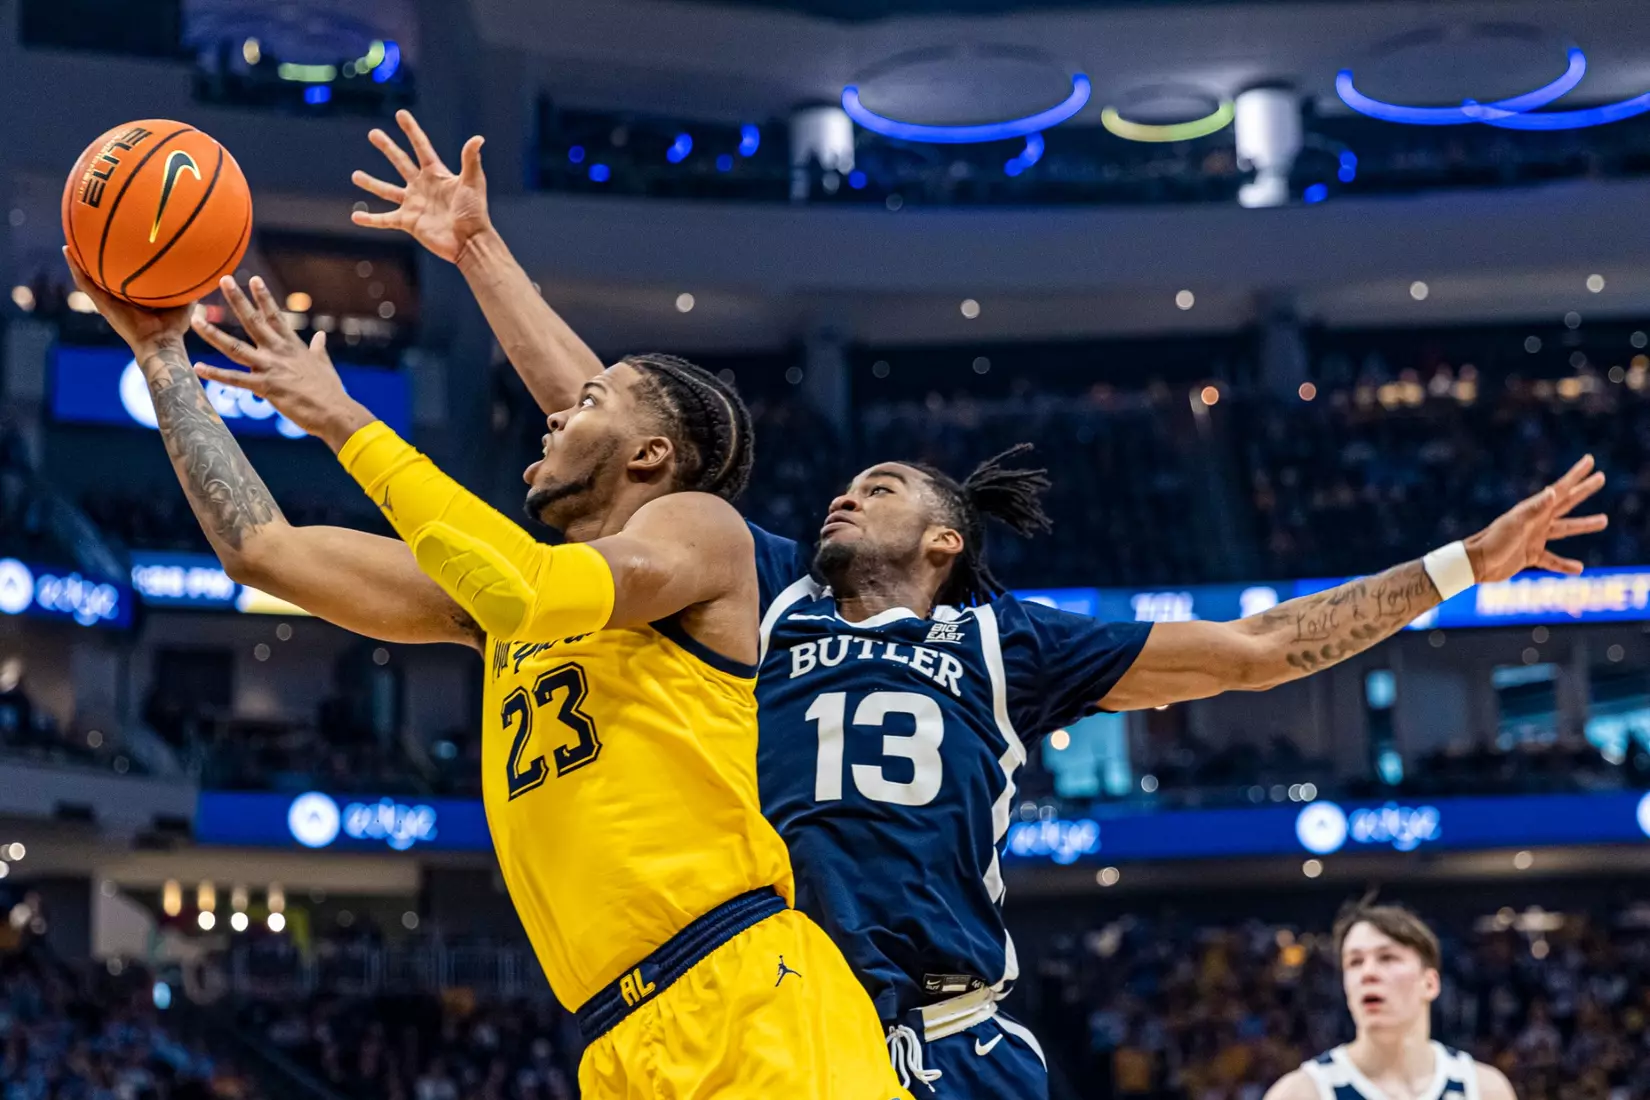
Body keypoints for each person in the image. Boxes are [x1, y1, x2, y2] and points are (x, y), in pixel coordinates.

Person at [347, 112, 1607, 1097]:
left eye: (880, 485)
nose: (846, 494)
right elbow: (616, 426)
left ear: (944, 539)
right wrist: (480, 252)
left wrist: (1459, 566)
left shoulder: (1004, 643)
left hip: (953, 1039)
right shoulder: (776, 597)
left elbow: (1265, 646)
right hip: (791, 1020)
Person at [61, 253, 911, 1100]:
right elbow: (264, 551)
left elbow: (530, 587)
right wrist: (162, 357)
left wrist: (346, 422)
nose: (550, 420)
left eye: (584, 405)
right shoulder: (503, 613)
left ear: (651, 456)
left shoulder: (702, 532)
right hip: (618, 1038)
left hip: (749, 996)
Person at [1263, 902, 1518, 1100]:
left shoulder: (1484, 1089)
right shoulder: (1301, 1093)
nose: (1368, 973)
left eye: (1387, 958)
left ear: (1430, 983)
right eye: (1355, 962)